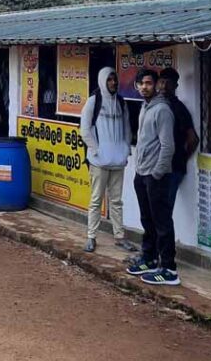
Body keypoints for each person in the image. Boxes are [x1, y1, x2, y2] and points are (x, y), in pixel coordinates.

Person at [126, 69, 178, 285]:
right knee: (147, 219)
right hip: (142, 173)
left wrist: (157, 173)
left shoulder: (162, 110)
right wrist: (140, 170)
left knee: (162, 222)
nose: (144, 87)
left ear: (156, 85)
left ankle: (169, 269)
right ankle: (149, 258)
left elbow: (168, 146)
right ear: (137, 86)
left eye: (149, 83)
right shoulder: (144, 107)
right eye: (141, 83)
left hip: (156, 176)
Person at [80, 67, 135, 253]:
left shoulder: (121, 102)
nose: (113, 83)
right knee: (96, 199)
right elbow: (85, 129)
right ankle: (91, 237)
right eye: (109, 80)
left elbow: (127, 128)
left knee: (117, 201)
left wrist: (126, 148)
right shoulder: (93, 101)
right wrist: (96, 150)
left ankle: (119, 237)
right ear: (103, 80)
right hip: (99, 161)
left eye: (115, 79)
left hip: (118, 160)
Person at [158, 68, 199, 208]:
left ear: (175, 86)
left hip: (173, 168)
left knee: (165, 211)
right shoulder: (156, 106)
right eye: (161, 82)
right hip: (157, 167)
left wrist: (182, 158)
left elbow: (193, 139)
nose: (163, 86)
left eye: (167, 83)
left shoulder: (178, 109)